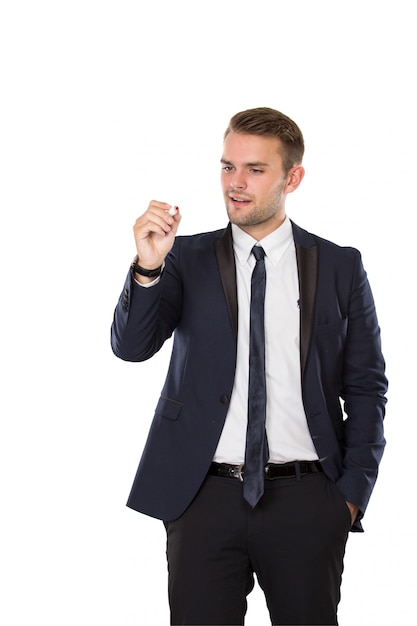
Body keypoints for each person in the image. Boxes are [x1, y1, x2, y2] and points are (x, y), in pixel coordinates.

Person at [111, 107, 387, 626]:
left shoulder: (338, 266)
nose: (235, 184)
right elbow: (131, 347)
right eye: (227, 166)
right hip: (203, 498)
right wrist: (148, 266)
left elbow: (368, 387)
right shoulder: (182, 258)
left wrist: (350, 496)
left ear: (292, 177)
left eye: (255, 170)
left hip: (308, 499)